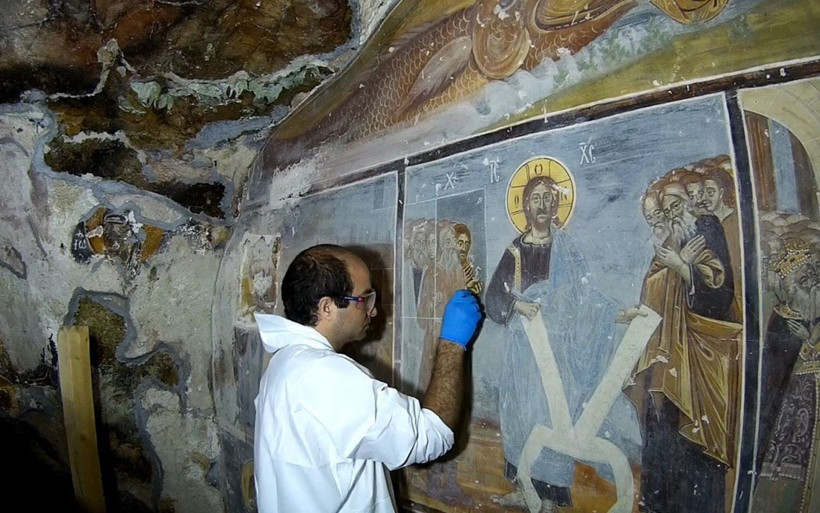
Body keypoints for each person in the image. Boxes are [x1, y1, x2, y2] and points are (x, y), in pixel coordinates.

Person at [253, 244, 482, 512]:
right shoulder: (326, 376)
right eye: (364, 299)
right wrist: (452, 343)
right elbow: (431, 436)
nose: (373, 311)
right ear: (327, 307)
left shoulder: (284, 363)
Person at [487, 176, 642, 512]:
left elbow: (585, 298)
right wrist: (518, 305)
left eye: (547, 198)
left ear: (555, 205)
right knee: (521, 416)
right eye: (535, 199)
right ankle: (522, 488)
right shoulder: (516, 250)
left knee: (552, 418)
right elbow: (494, 297)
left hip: (558, 351)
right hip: (525, 350)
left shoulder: (566, 248)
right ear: (526, 206)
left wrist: (617, 313)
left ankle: (551, 497)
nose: (542, 205)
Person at [627, 181, 741, 513]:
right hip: (664, 359)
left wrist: (681, 267)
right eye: (663, 211)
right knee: (660, 436)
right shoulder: (667, 245)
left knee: (694, 442)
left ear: (689, 204)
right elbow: (657, 297)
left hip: (699, 358)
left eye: (676, 206)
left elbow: (720, 296)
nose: (670, 215)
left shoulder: (705, 227)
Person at [752, 238, 820, 513]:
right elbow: (773, 371)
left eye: (814, 276)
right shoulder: (781, 318)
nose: (813, 284)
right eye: (805, 280)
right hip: (789, 407)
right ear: (792, 287)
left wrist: (809, 342)